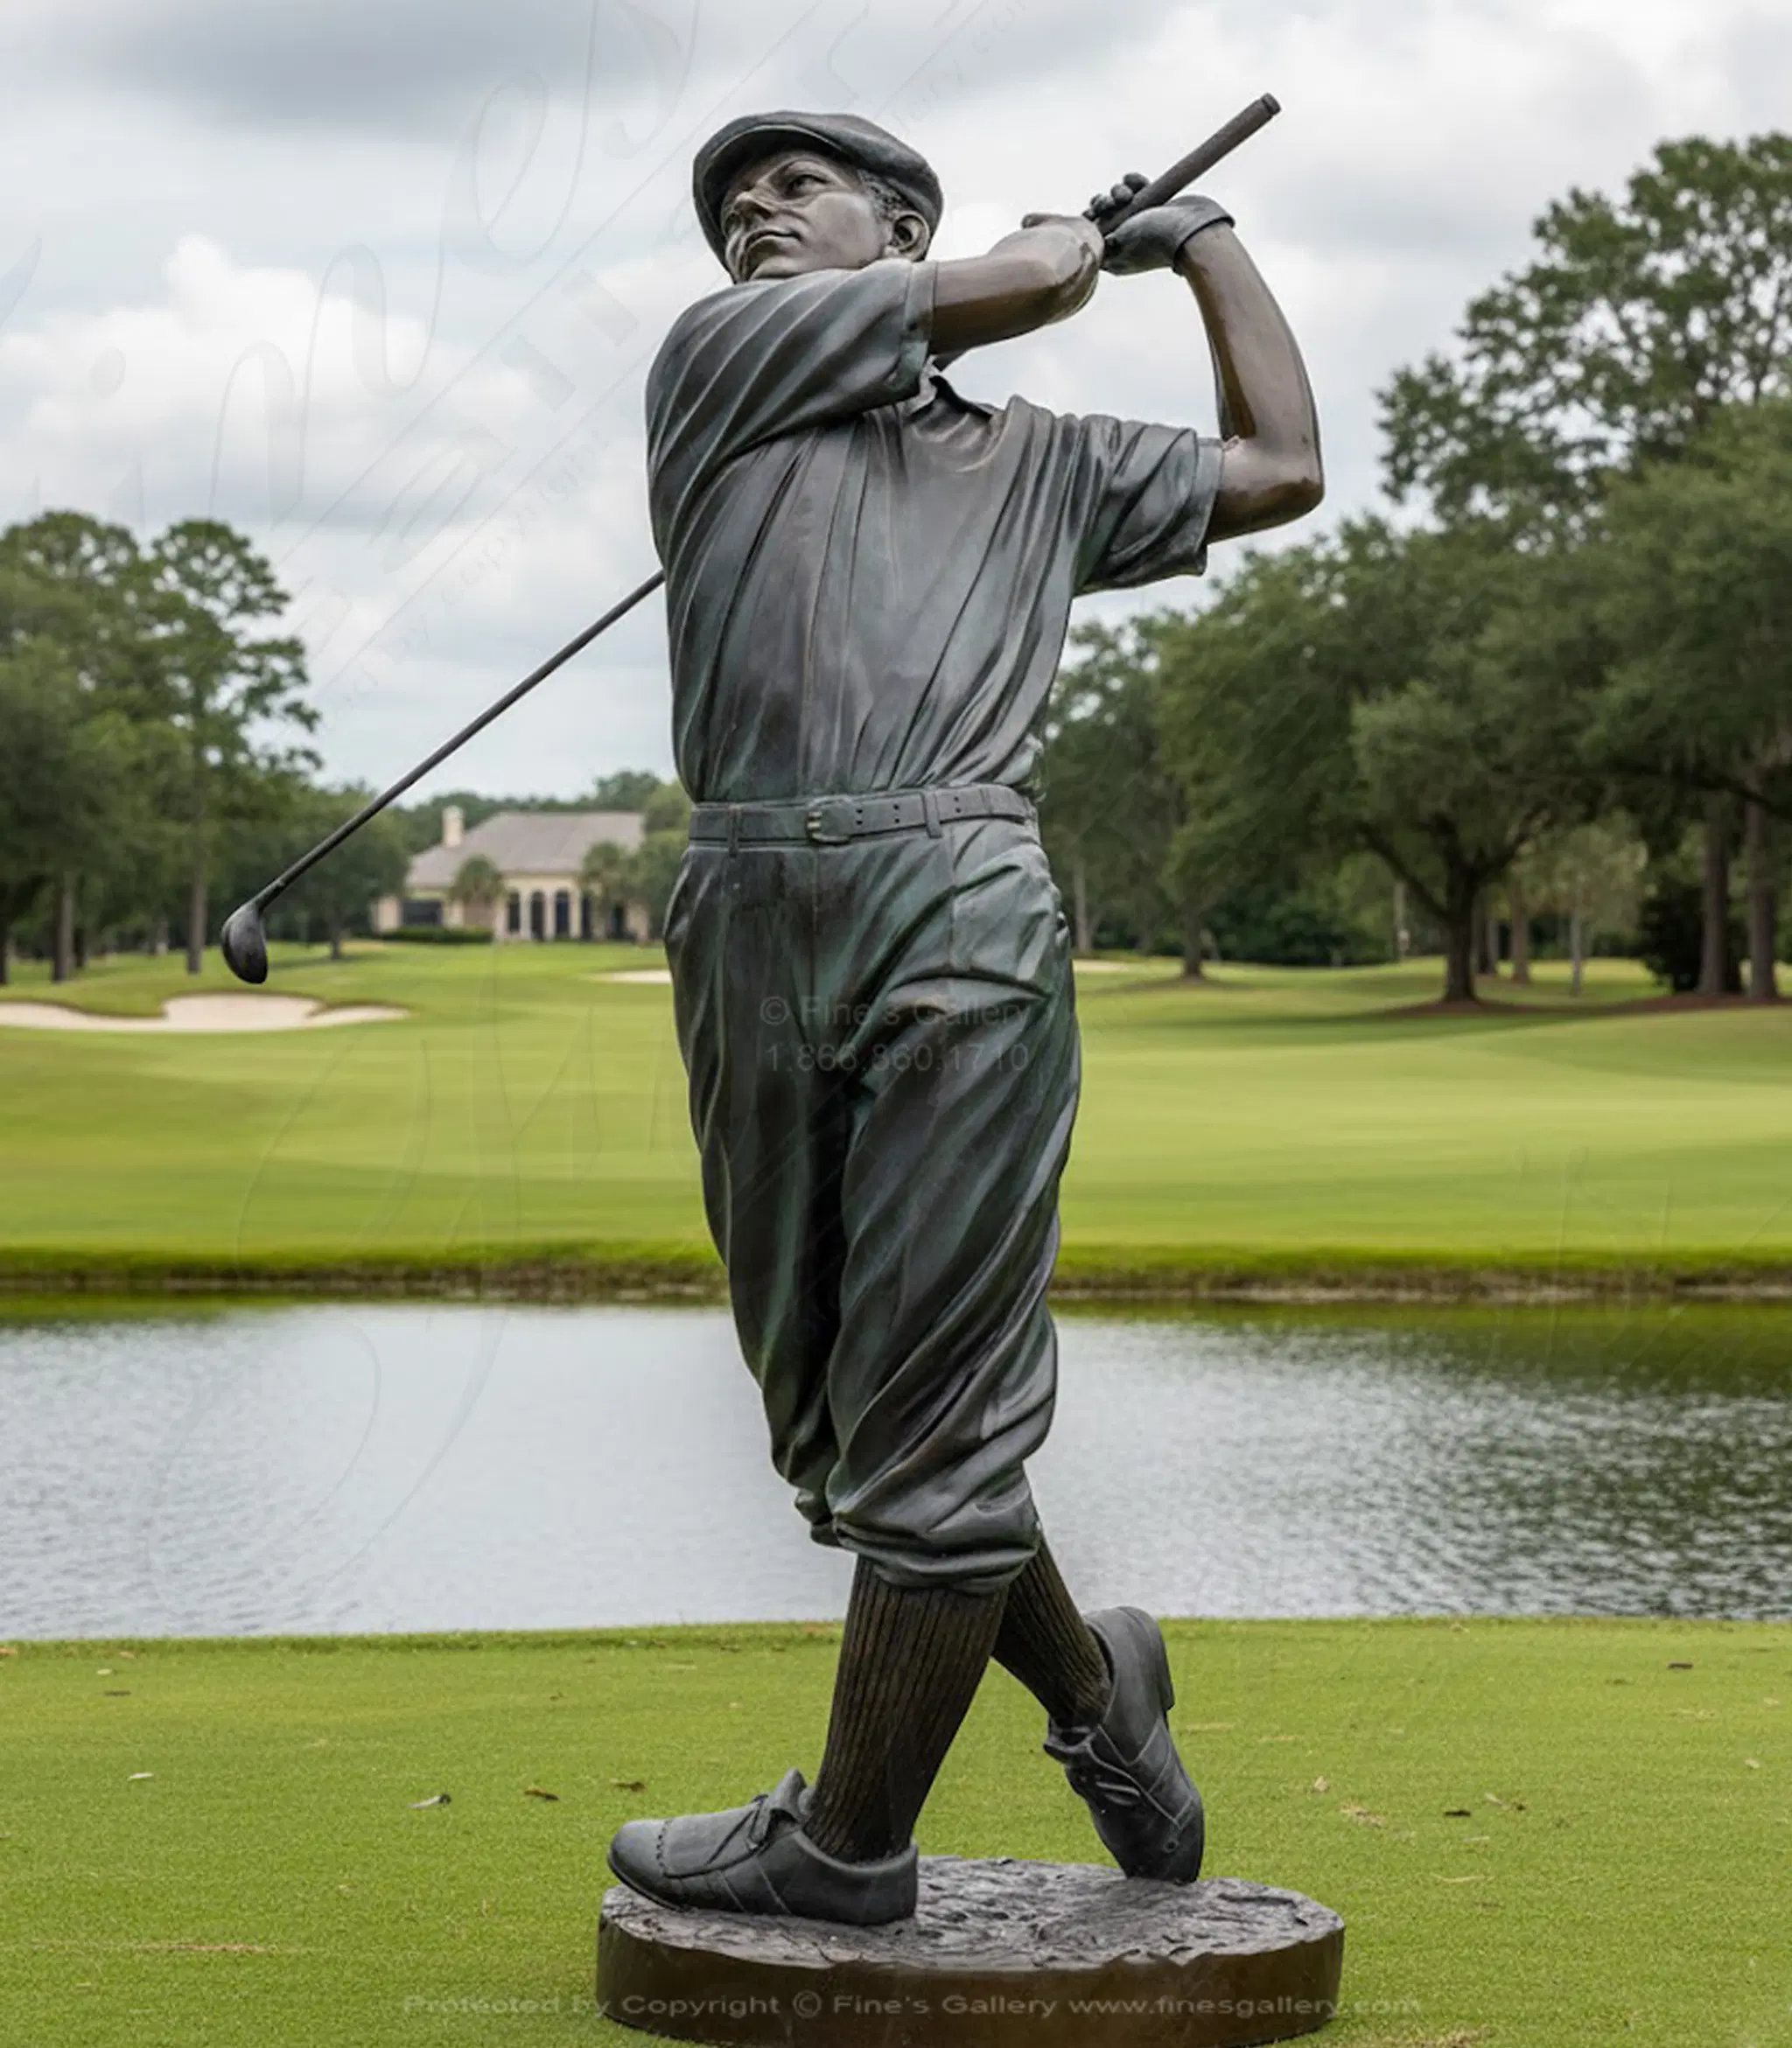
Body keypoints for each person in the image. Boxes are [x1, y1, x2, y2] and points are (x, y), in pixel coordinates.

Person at [606, 110, 1322, 1926]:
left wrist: (1205, 240)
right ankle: (1100, 1696)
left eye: (793, 189)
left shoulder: (1048, 467)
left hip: (960, 904)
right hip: (749, 905)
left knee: (926, 1436)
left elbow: (1281, 462)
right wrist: (1050, 258)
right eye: (731, 204)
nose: (753, 215)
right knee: (839, 1437)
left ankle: (845, 1848)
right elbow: (1010, 281)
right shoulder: (719, 368)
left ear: (889, 218)